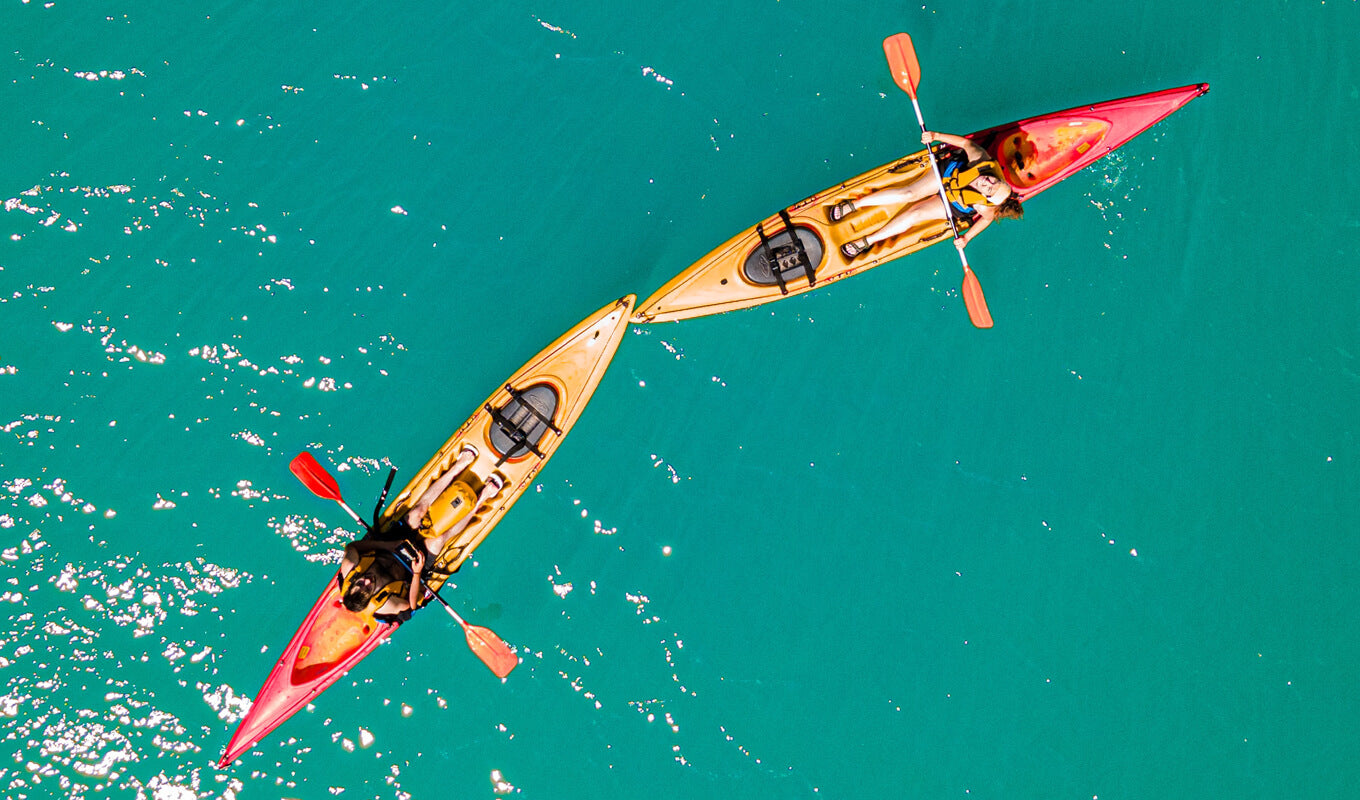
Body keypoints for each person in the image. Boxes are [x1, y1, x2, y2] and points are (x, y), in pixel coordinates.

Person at [339, 444, 504, 616]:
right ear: (371, 596)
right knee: (439, 540)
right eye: (368, 588)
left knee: (417, 512)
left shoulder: (350, 566)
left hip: (392, 542)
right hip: (415, 565)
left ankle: (458, 466)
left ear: (352, 583)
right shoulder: (387, 604)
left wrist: (387, 546)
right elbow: (412, 604)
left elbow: (354, 546)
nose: (367, 581)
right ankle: (483, 498)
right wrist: (417, 573)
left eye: (360, 583)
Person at [830, 130, 1023, 259]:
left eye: (988, 188)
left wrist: (966, 238)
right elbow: (965, 143)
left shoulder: (985, 207)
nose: (987, 182)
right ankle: (854, 205)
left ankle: (867, 241)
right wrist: (935, 135)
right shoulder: (982, 160)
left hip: (952, 203)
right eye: (992, 180)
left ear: (987, 197)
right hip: (947, 175)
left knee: (915, 214)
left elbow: (985, 220)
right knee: (909, 193)